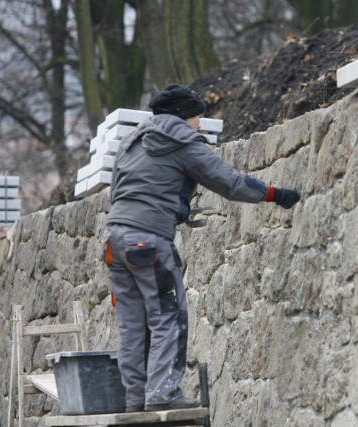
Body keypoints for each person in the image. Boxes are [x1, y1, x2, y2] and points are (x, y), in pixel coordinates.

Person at [102, 84, 300, 412]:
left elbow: (119, 189)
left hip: (114, 241)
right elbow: (229, 182)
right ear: (185, 116)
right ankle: (162, 393)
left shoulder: (131, 141)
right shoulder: (182, 141)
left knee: (131, 322)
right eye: (198, 118)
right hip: (149, 240)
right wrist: (275, 194)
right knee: (168, 317)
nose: (200, 125)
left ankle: (135, 398)